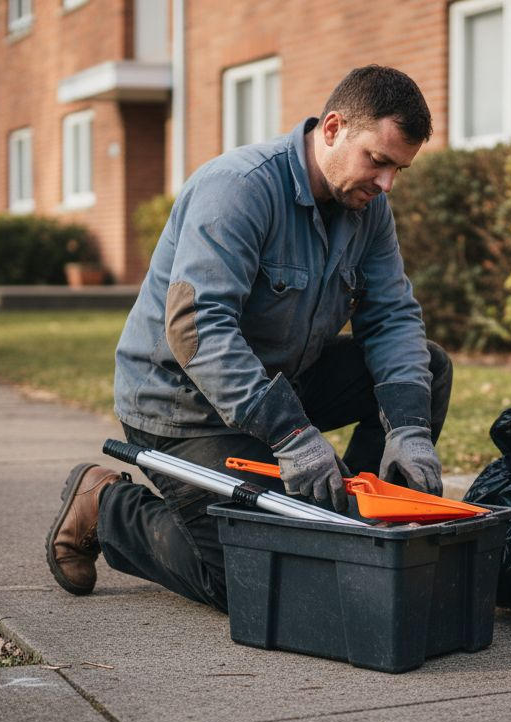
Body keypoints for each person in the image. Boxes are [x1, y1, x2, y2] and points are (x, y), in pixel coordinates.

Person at [45, 65, 452, 611]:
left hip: (281, 383)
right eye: (378, 161)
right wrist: (292, 435)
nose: (386, 184)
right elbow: (198, 327)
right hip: (184, 408)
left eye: (398, 169)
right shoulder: (238, 188)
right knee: (254, 580)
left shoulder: (367, 209)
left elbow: (392, 318)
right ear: (333, 128)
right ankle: (106, 504)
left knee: (429, 367)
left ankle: (352, 526)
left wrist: (408, 428)